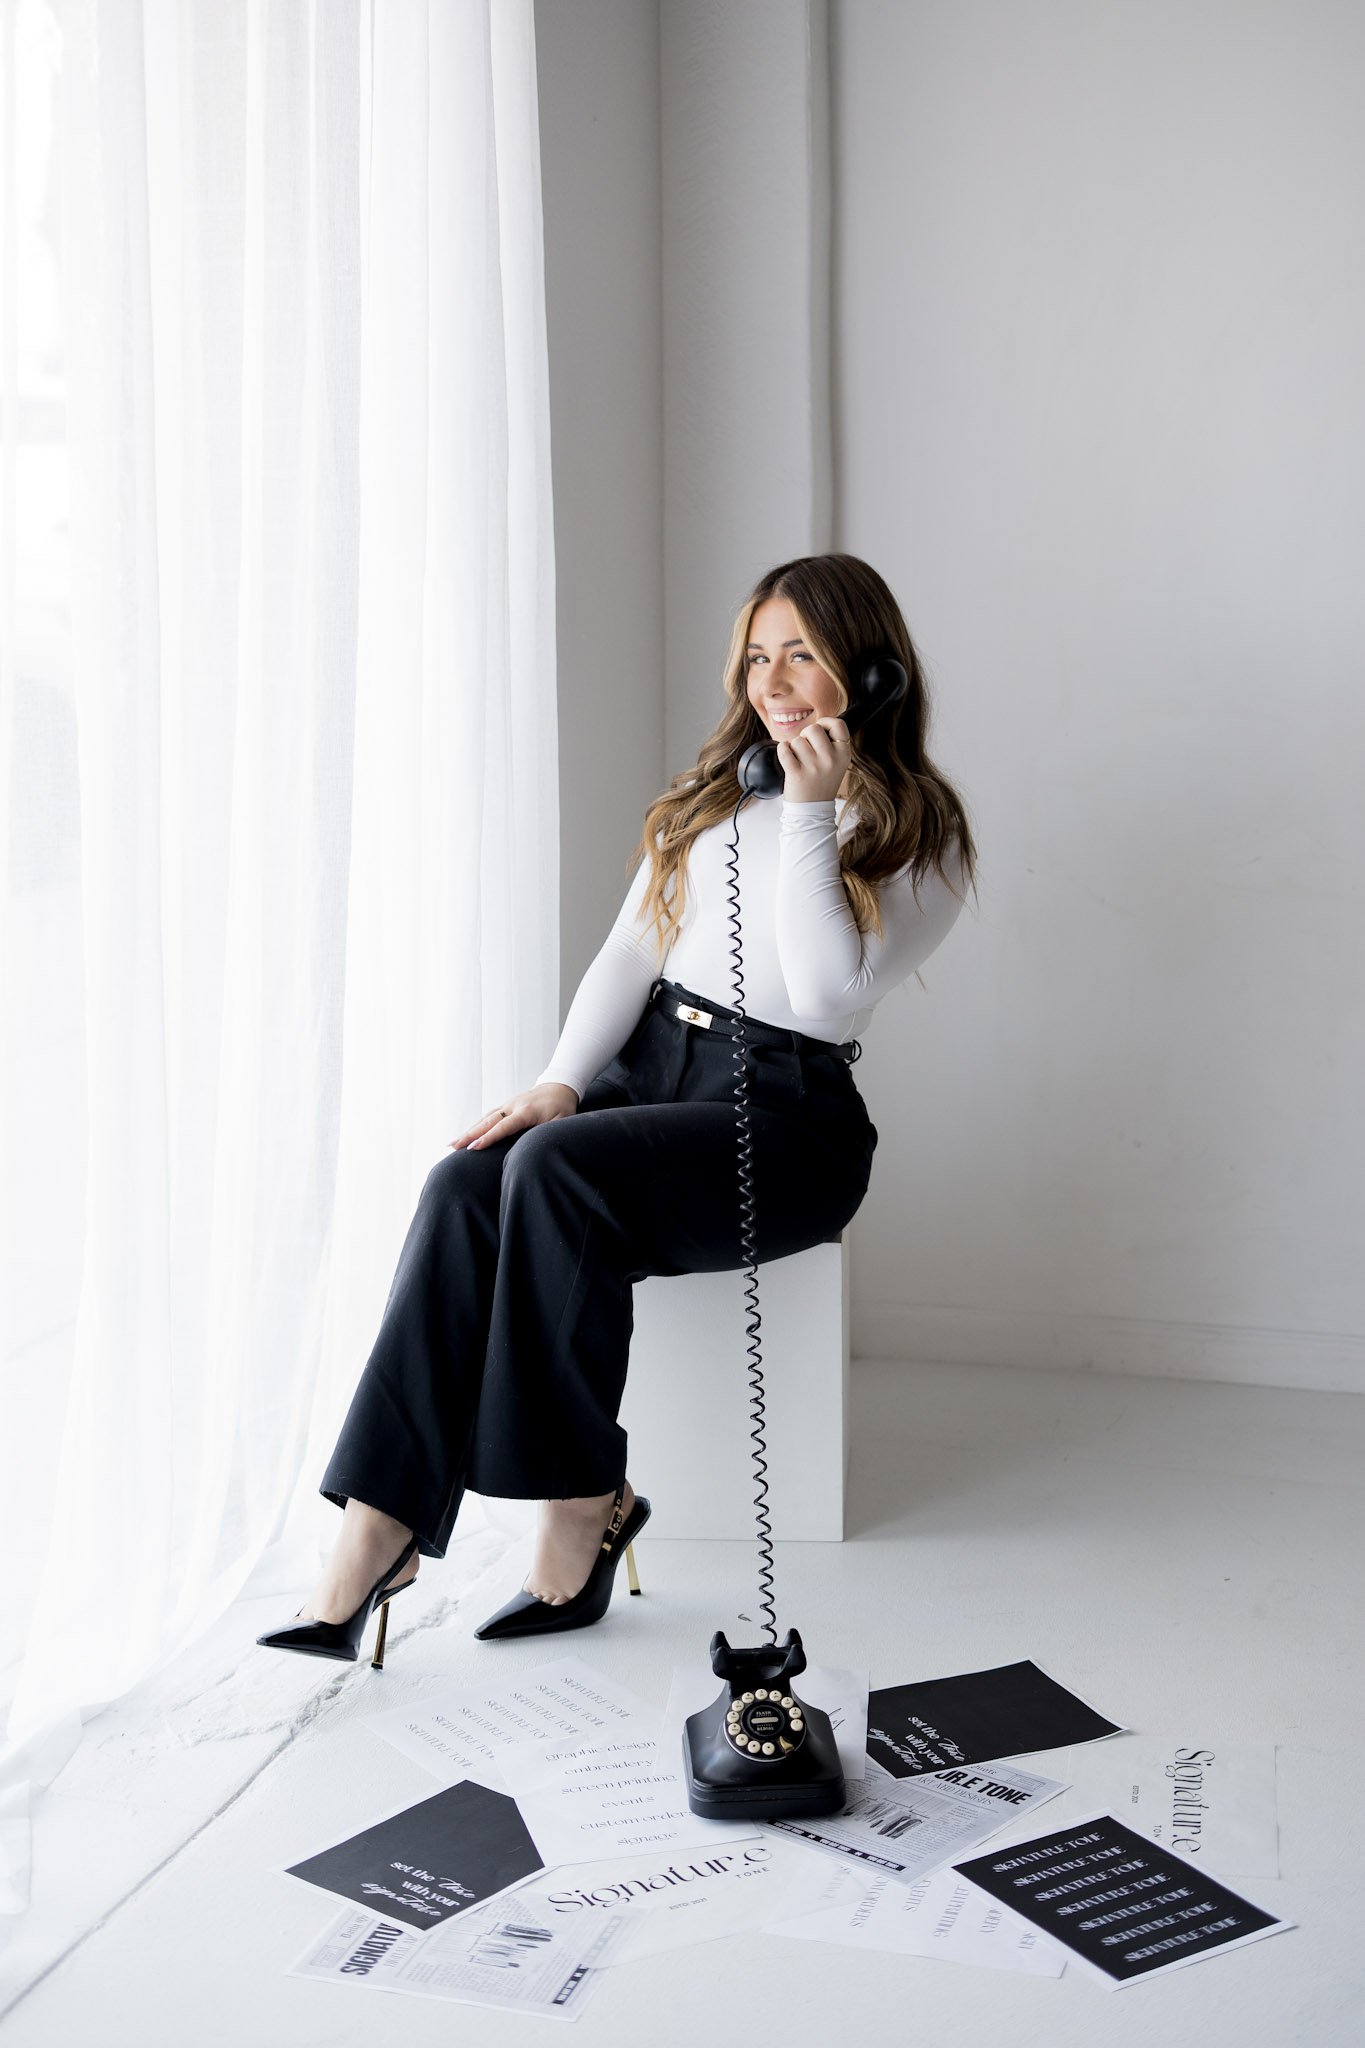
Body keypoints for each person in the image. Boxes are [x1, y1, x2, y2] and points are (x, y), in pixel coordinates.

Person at [257, 551, 978, 1666]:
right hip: (651, 1077)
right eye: (756, 654)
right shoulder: (711, 801)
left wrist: (811, 809)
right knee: (472, 1176)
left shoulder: (917, 830)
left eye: (802, 652)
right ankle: (378, 1524)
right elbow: (632, 949)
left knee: (557, 1172)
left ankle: (581, 1502)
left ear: (870, 670)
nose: (773, 679)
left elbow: (829, 991)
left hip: (786, 1118)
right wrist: (559, 1079)